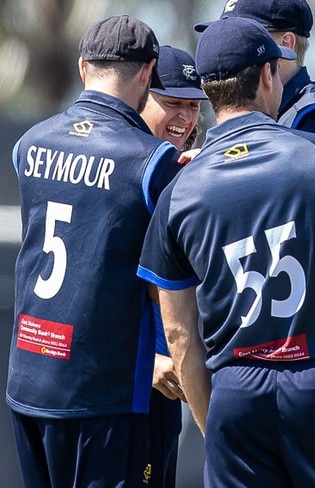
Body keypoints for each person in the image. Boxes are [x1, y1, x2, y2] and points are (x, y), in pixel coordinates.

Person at [136, 16, 315, 488]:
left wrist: (217, 418)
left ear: (209, 92)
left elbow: (179, 333)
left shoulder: (180, 189)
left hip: (238, 389)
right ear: (268, 76)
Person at [7, 15, 183, 487]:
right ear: (148, 73)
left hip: (29, 382)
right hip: (103, 396)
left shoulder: (30, 143)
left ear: (84, 68)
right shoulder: (151, 162)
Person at [139, 44, 207, 488]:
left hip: (171, 376)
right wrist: (144, 361)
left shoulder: (182, 169)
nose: (184, 117)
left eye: (193, 105)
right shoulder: (131, 168)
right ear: (141, 92)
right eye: (172, 103)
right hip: (133, 379)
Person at [194, 0, 315, 150]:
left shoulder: (312, 117)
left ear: (286, 44)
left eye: (250, 34)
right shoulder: (280, 109)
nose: (232, 41)